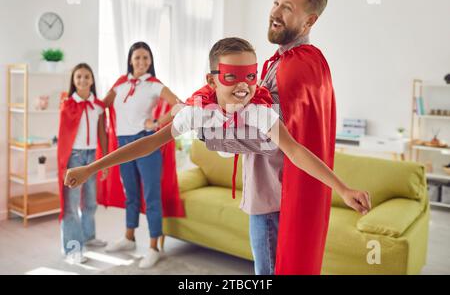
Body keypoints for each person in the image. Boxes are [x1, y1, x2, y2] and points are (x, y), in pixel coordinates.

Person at [64, 39, 371, 271]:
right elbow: (149, 142)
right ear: (211, 80)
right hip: (209, 124)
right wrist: (92, 167)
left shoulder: (259, 108)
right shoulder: (199, 111)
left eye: (250, 76)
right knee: (181, 111)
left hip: (240, 142)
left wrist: (342, 188)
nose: (243, 86)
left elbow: (295, 150)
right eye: (231, 77)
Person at [244, 0, 338, 274]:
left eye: (287, 8)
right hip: (273, 195)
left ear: (309, 21)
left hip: (274, 200)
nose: (275, 12)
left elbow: (268, 135)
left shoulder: (295, 67)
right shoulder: (292, 62)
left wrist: (211, 126)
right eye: (275, 3)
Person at [101, 41, 184, 269]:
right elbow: (101, 105)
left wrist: (157, 122)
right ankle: (129, 238)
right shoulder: (120, 84)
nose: (141, 62)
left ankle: (154, 246)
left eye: (146, 58)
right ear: (130, 60)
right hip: (122, 144)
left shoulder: (154, 85)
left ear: (151, 61)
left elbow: (178, 104)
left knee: (151, 195)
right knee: (131, 193)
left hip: (145, 143)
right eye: (137, 57)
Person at [57, 63, 108, 264]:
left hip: (92, 157)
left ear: (92, 80)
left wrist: (103, 160)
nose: (83, 80)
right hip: (74, 158)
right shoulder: (68, 104)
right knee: (71, 204)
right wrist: (64, 166)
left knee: (90, 201)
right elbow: (63, 136)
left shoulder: (98, 106)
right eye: (78, 77)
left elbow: (103, 133)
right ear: (73, 80)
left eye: (87, 76)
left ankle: (89, 236)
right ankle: (72, 248)